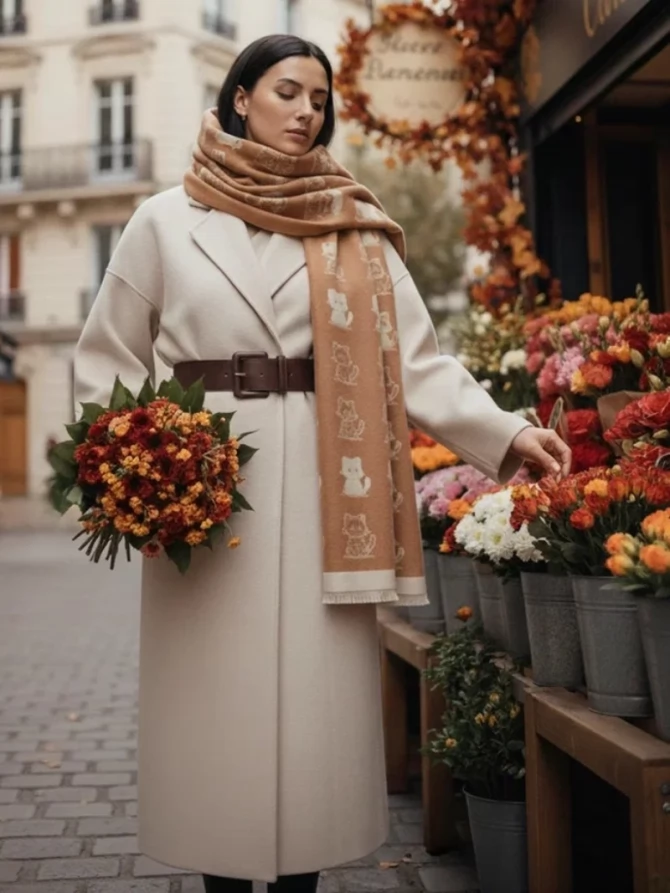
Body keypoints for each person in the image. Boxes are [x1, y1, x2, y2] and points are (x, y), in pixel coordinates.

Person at [73, 34, 571, 893]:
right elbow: (108, 354)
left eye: (319, 99)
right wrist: (127, 466)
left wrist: (503, 432)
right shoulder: (163, 218)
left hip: (321, 488)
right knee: (216, 711)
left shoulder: (354, 222)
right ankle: (221, 874)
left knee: (311, 719)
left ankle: (301, 874)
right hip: (202, 485)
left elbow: (416, 358)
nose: (308, 112)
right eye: (288, 92)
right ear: (239, 99)